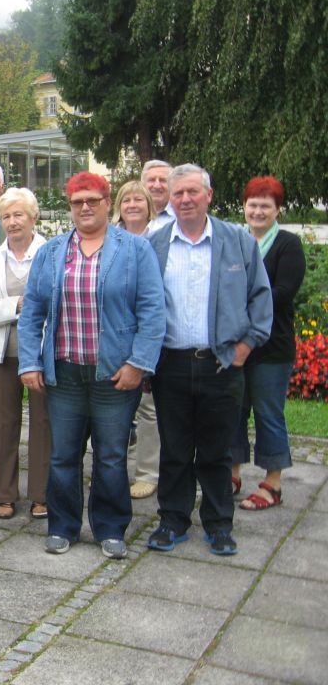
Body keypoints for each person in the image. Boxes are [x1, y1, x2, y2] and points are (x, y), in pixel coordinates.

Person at [19, 173, 165, 559]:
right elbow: (32, 312)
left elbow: (153, 310)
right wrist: (30, 361)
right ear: (70, 207)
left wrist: (138, 364)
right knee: (63, 456)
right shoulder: (52, 252)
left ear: (106, 202)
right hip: (64, 374)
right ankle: (63, 526)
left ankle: (111, 528)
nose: (85, 207)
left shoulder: (134, 250)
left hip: (114, 375)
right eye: (77, 201)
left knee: (111, 457)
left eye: (92, 200)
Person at [147, 164, 272, 556]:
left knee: (218, 451)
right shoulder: (156, 243)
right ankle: (172, 520)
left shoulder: (237, 241)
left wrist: (245, 347)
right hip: (171, 363)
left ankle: (219, 525)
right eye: (178, 193)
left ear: (209, 195)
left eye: (192, 192)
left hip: (221, 364)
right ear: (170, 199)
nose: (185, 199)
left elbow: (261, 296)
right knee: (175, 449)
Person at [0, 188, 50, 520]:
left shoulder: (51, 252)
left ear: (33, 217)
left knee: (43, 423)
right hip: (3, 353)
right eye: (6, 216)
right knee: (5, 423)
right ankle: (4, 493)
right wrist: (15, 305)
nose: (12, 222)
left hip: (42, 353)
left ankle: (41, 494)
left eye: (19, 214)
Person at [232, 177, 305, 511]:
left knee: (268, 414)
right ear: (244, 207)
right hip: (236, 345)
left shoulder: (288, 245)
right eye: (253, 204)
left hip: (272, 349)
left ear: (278, 210)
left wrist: (237, 305)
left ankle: (272, 484)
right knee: (233, 412)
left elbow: (283, 293)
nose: (258, 211)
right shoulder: (236, 241)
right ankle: (231, 474)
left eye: (266, 205)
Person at [112, 181, 161, 500]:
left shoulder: (159, 239)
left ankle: (147, 473)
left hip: (145, 332)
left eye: (138, 199)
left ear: (149, 205)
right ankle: (111, 473)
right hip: (113, 335)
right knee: (112, 411)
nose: (132, 205)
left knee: (147, 409)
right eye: (126, 199)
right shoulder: (108, 237)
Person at [141, 160, 175, 232]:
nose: (157, 186)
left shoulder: (181, 216)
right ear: (143, 185)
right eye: (152, 180)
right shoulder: (130, 216)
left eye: (163, 180)